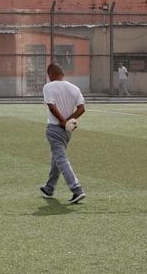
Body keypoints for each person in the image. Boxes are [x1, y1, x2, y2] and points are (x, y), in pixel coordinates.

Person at [40, 62, 86, 204]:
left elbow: (51, 106)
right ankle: (49, 187)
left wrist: (61, 121)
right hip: (67, 131)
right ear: (63, 74)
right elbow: (82, 108)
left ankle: (76, 189)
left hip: (54, 128)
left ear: (50, 75)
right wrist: (68, 121)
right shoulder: (74, 88)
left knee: (60, 158)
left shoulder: (48, 87)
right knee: (57, 157)